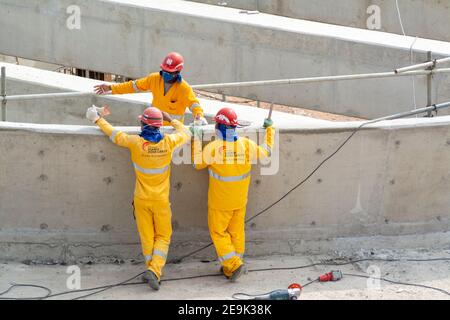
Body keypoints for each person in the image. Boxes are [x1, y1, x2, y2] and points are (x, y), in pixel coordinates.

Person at [86, 104, 191, 290]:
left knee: (147, 237)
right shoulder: (169, 142)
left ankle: (152, 270)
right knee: (164, 236)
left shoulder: (135, 143)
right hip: (160, 201)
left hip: (141, 199)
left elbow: (114, 135)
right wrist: (171, 118)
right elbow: (186, 132)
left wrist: (97, 119)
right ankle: (155, 270)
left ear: (143, 125)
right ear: (159, 126)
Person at [192, 107, 274, 281]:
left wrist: (197, 137)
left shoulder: (214, 147)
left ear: (219, 126)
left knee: (218, 233)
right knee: (237, 232)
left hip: (220, 203)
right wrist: (269, 130)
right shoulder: (246, 145)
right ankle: (233, 267)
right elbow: (267, 151)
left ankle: (233, 264)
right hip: (240, 201)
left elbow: (197, 163)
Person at [94, 52, 207, 126]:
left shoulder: (183, 88)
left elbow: (194, 104)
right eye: (164, 71)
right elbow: (133, 86)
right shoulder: (154, 79)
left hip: (172, 130)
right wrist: (111, 87)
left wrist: (199, 115)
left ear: (178, 71)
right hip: (153, 125)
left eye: (169, 72)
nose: (165, 74)